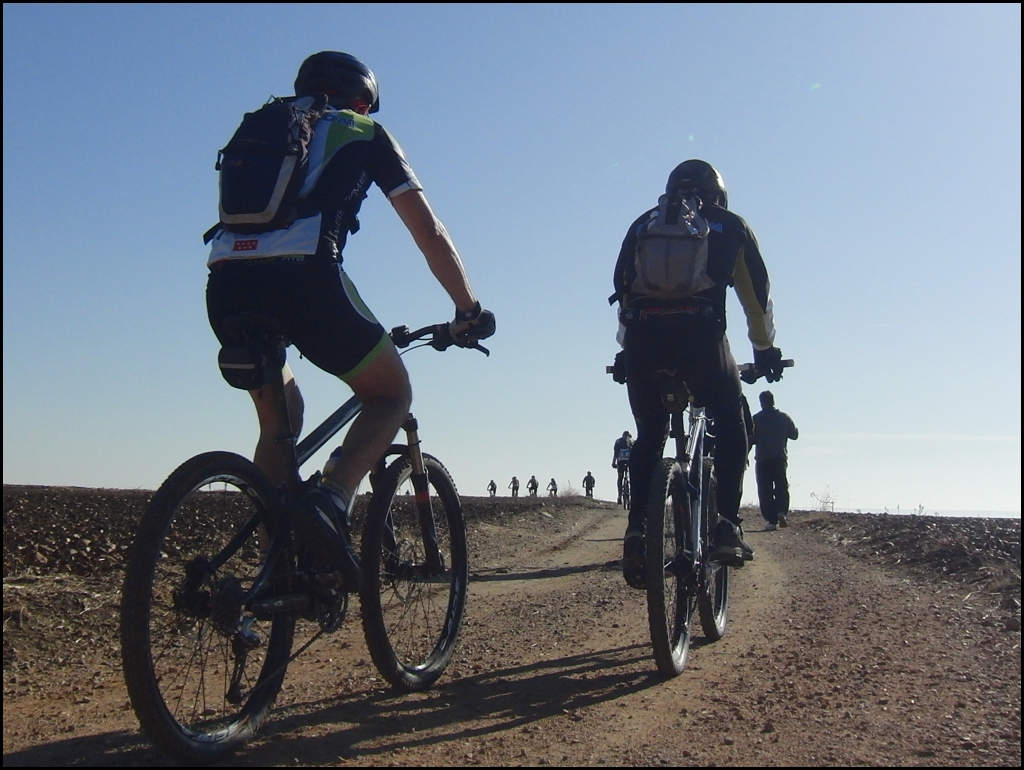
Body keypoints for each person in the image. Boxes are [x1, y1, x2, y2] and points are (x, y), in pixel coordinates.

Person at [205, 51, 495, 591]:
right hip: (306, 282)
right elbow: (428, 231)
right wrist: (468, 309)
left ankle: (275, 576)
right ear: (363, 100)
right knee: (390, 393)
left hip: (226, 285)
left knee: (280, 422)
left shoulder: (264, 125)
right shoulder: (364, 131)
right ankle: (333, 498)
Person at [610, 159, 786, 587]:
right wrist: (764, 351)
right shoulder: (731, 226)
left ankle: (637, 530)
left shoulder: (643, 225)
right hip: (702, 340)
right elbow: (756, 298)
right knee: (731, 417)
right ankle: (726, 524)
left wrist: (625, 350)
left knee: (650, 434)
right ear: (718, 195)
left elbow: (624, 290)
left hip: (643, 342)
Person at [752, 390, 799, 530]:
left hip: (763, 459)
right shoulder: (784, 417)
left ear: (761, 403)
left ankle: (771, 521)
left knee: (764, 490)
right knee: (781, 486)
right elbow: (794, 435)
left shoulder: (756, 419)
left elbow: (750, 439)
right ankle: (781, 511)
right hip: (779, 458)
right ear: (773, 401)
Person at [612, 431, 633, 505]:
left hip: (620, 461)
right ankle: (633, 496)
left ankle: (619, 496)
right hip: (630, 462)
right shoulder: (632, 441)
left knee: (620, 477)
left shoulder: (618, 441)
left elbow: (615, 453)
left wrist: (613, 462)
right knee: (632, 478)